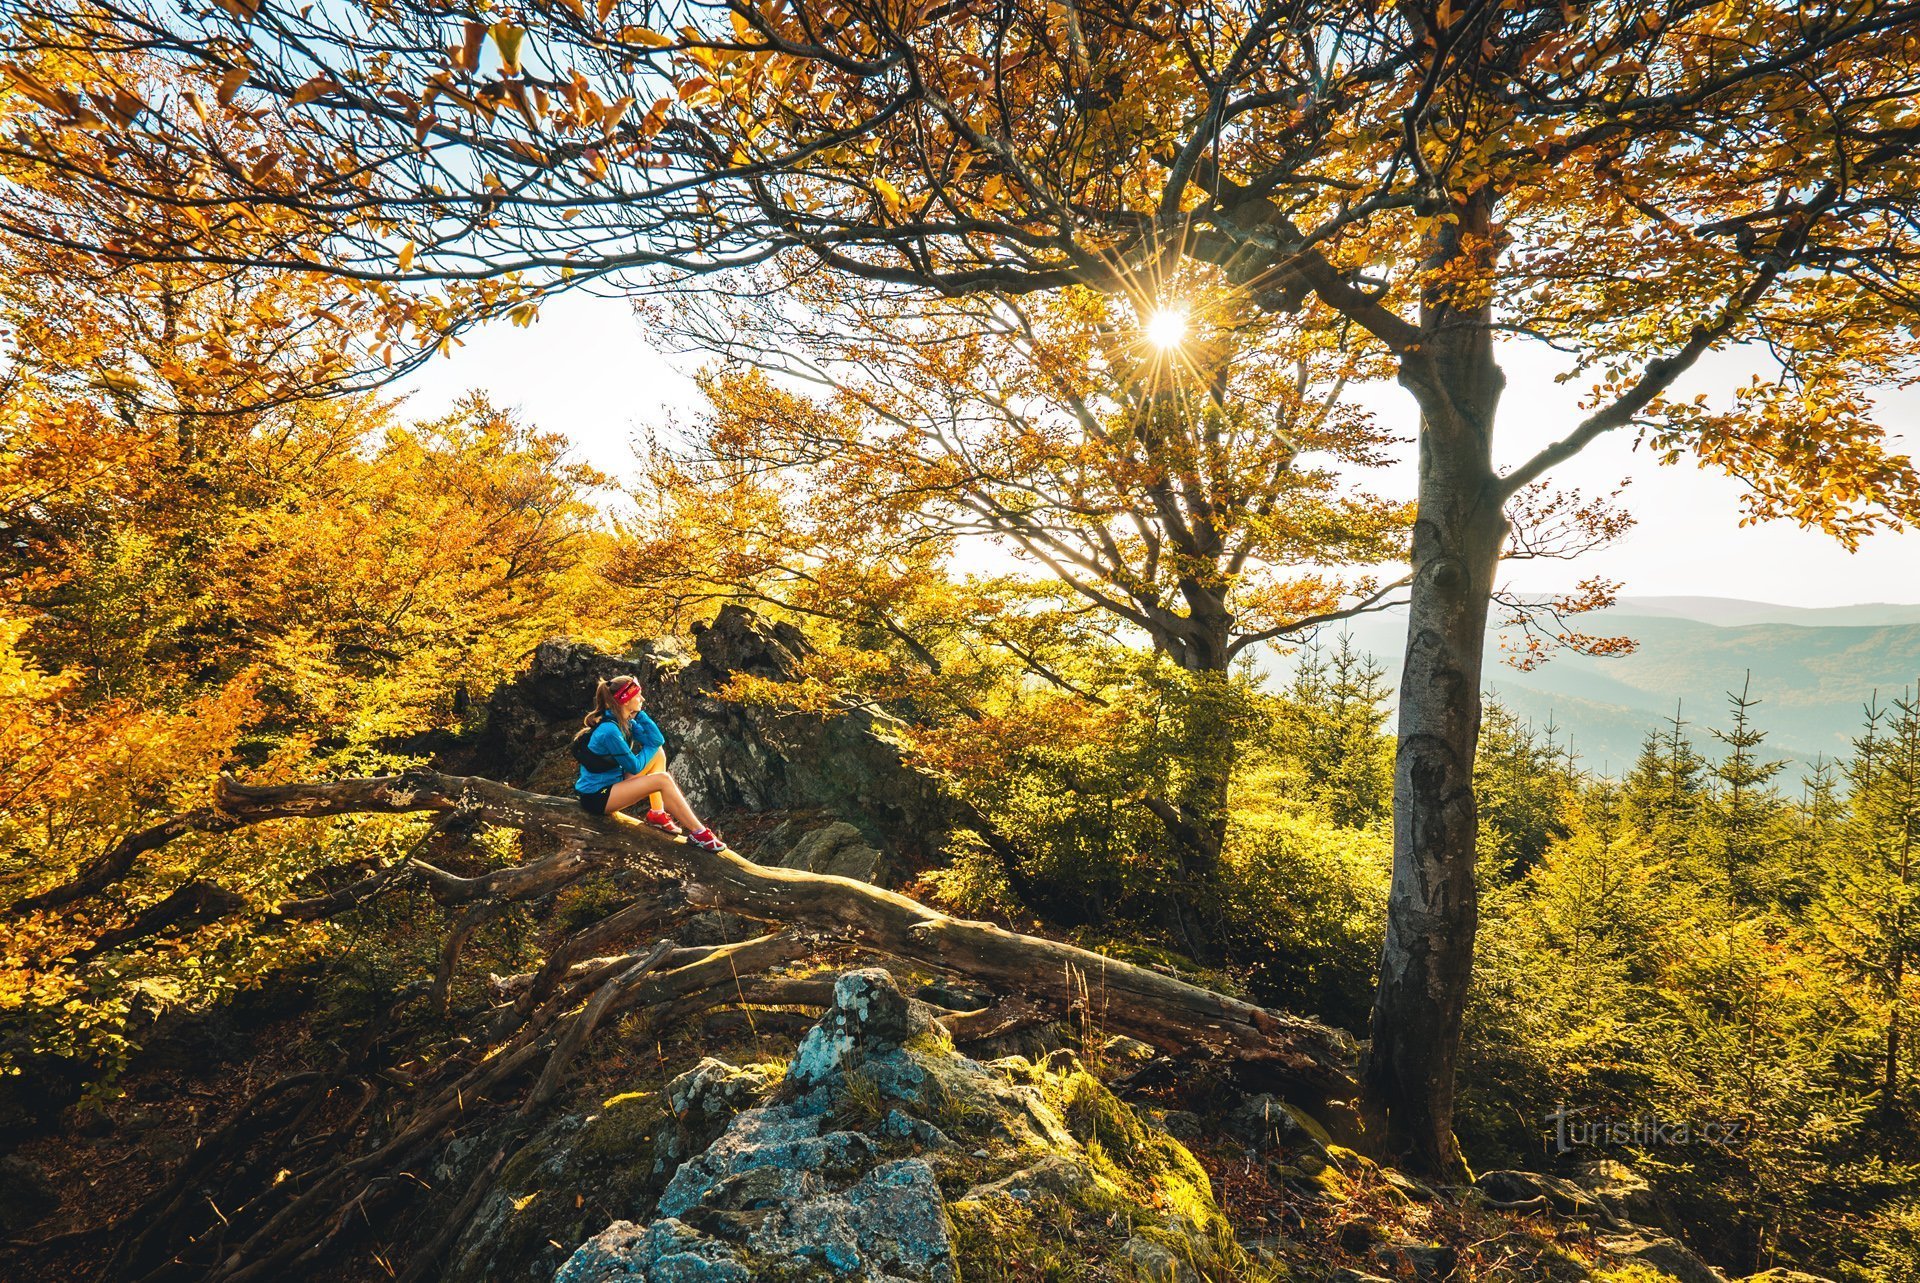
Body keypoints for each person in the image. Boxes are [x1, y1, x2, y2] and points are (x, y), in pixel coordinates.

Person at [573, 675, 726, 852]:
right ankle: (699, 833)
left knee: (658, 754)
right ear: (625, 700)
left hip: (614, 782)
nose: (642, 699)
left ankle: (657, 814)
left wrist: (640, 714)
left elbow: (657, 740)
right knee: (662, 779)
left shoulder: (624, 720)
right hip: (597, 797)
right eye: (638, 696)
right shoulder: (609, 730)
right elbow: (635, 766)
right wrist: (650, 745)